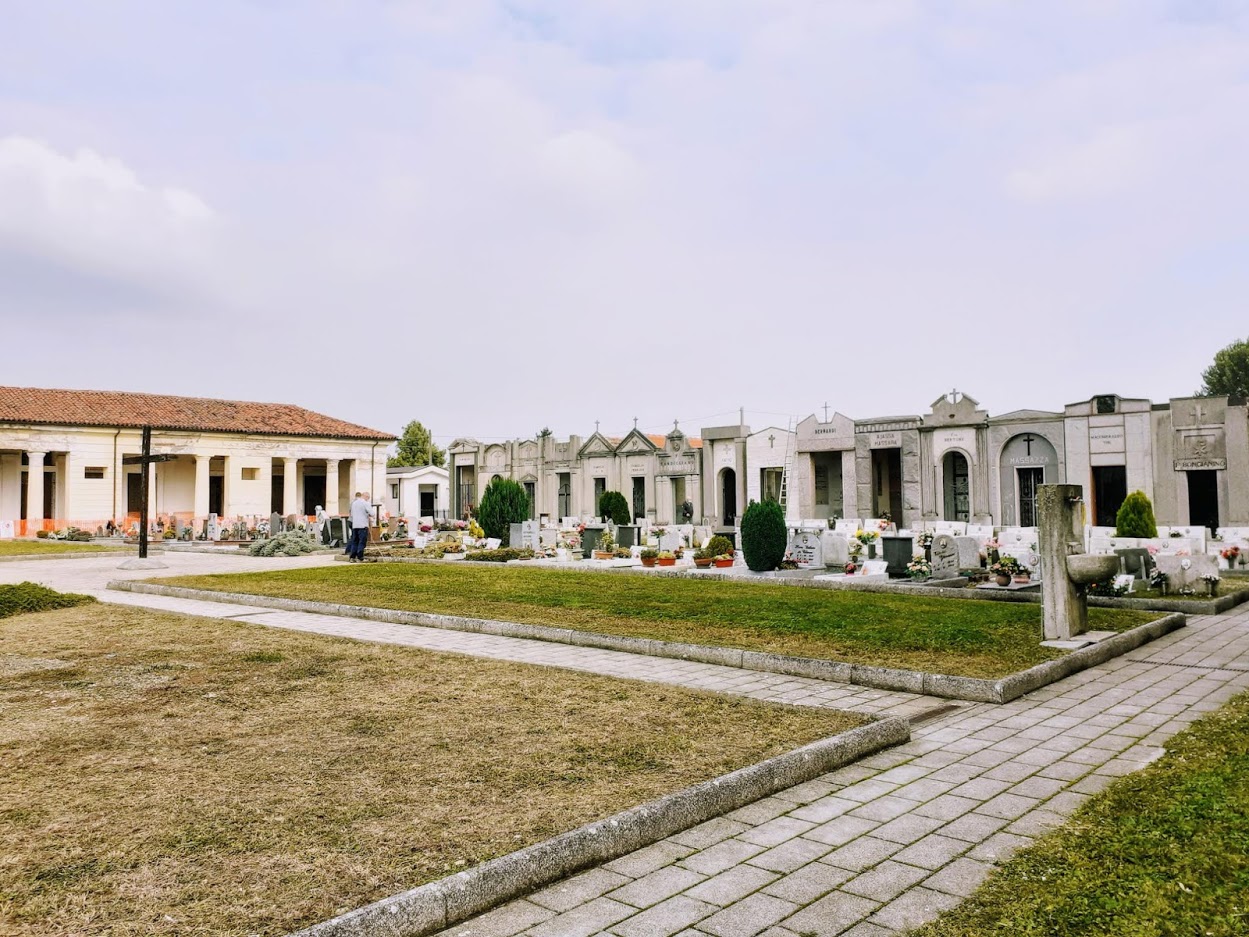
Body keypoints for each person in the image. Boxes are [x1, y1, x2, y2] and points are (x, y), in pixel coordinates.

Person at [348, 491, 372, 562]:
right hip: (363, 525)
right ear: (366, 497)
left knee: (355, 541)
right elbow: (372, 513)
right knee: (362, 542)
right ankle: (360, 557)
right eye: (368, 498)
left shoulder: (354, 503)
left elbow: (352, 514)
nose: (368, 499)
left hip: (355, 525)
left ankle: (352, 557)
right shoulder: (365, 503)